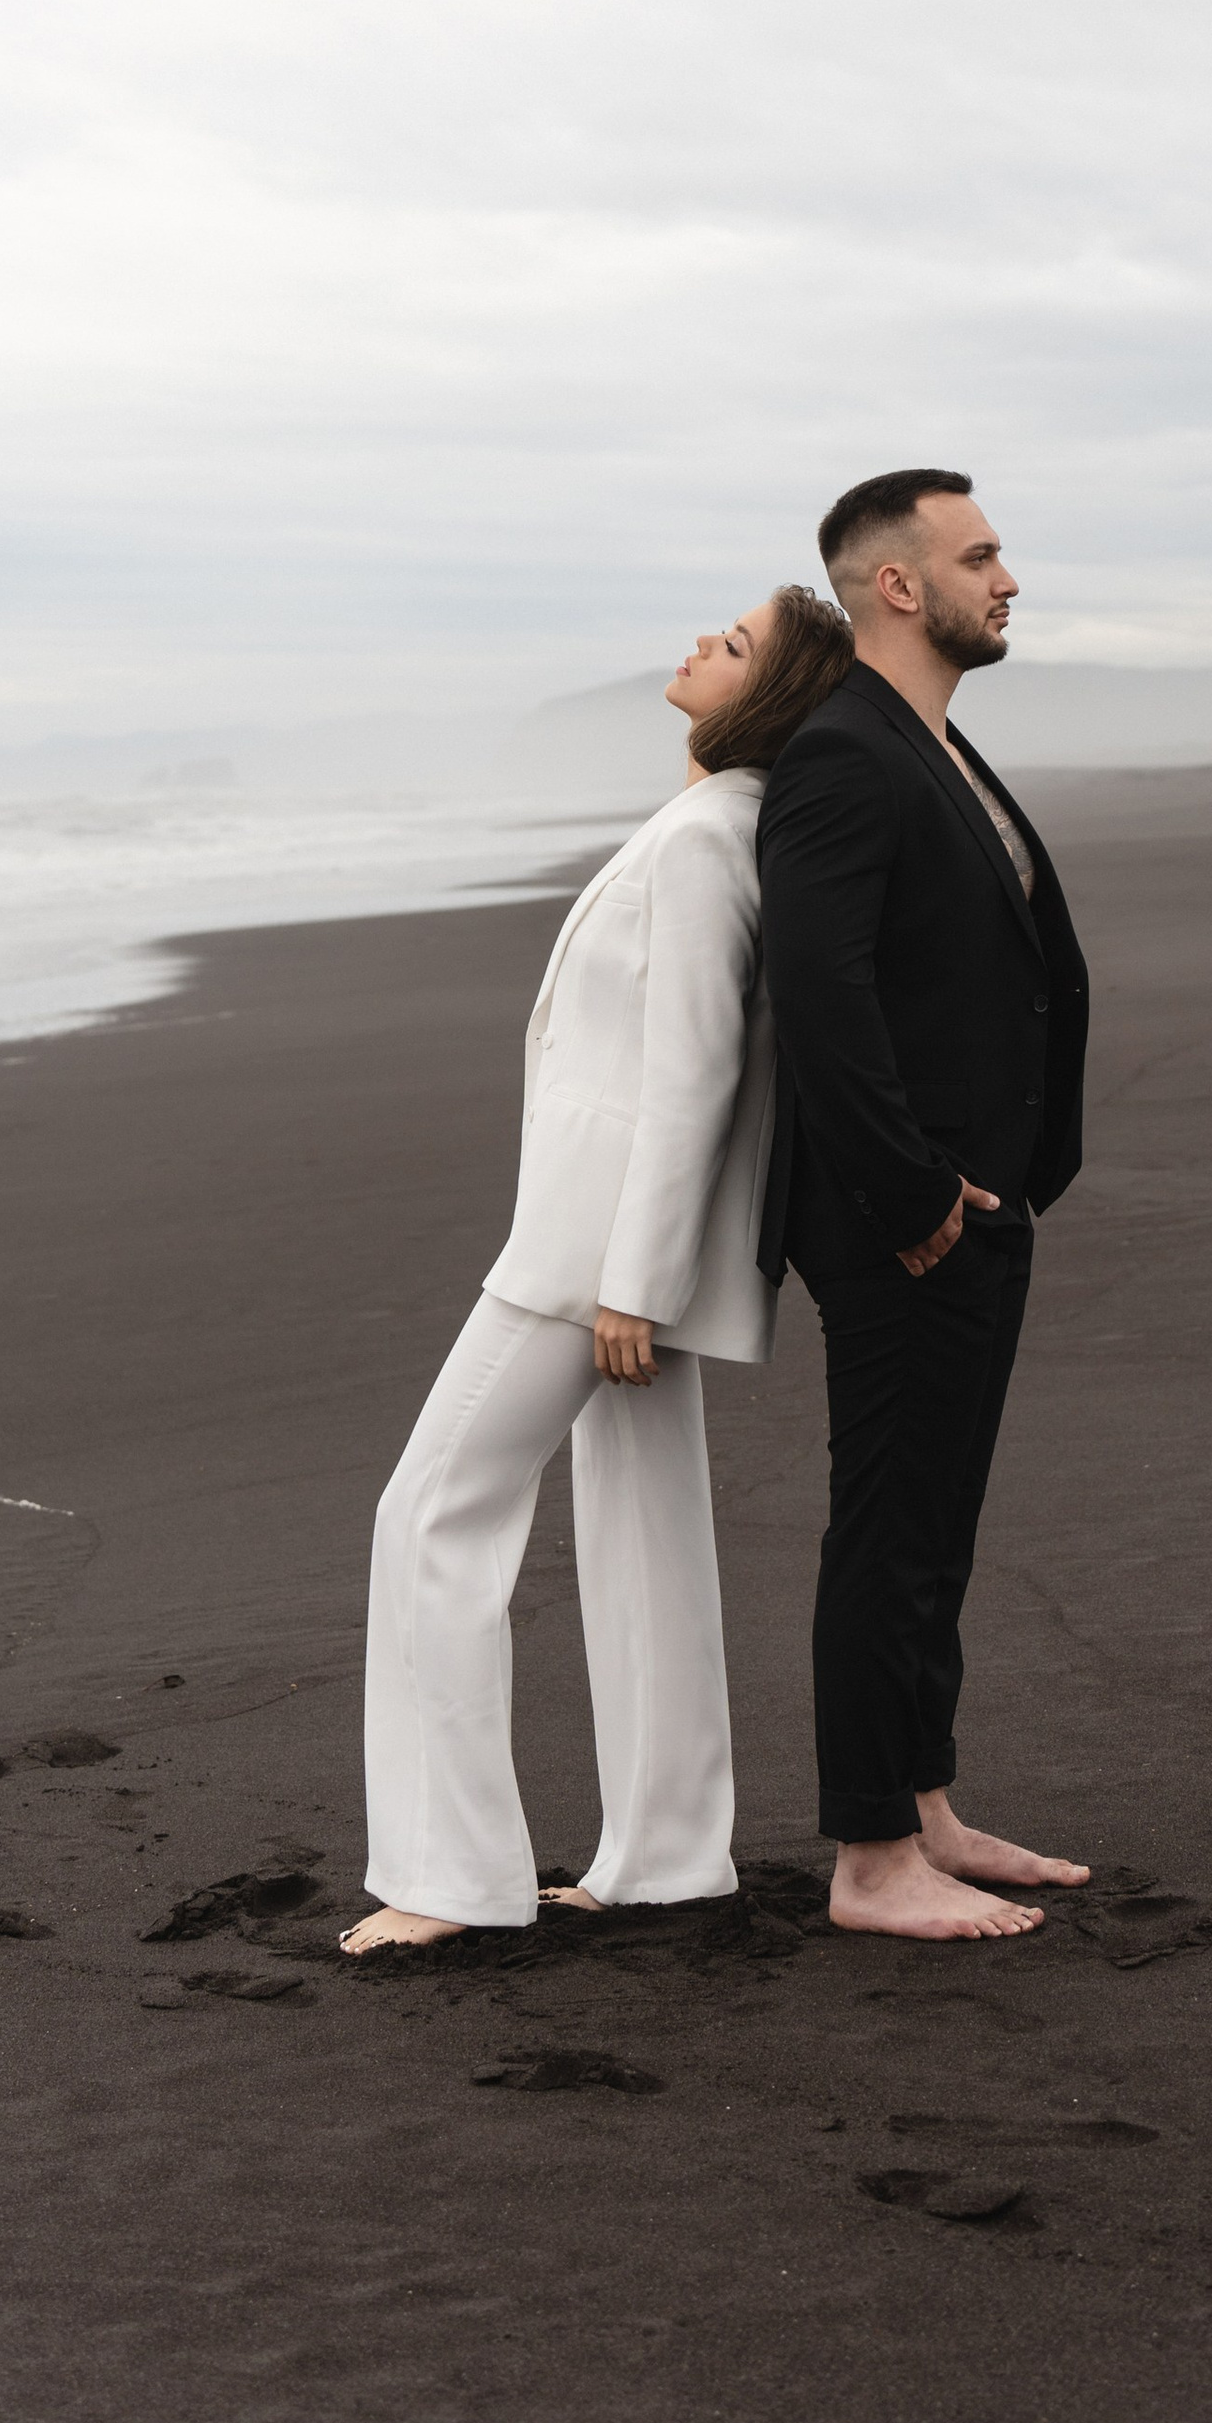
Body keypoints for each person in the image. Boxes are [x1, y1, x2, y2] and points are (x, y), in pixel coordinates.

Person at [342, 580, 856, 1955]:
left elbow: (696, 1072)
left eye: (734, 644)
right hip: (629, 1241)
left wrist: (632, 1278)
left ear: (768, 698)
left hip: (594, 1252)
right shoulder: (724, 826)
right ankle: (671, 1855)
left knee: (433, 1513)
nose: (700, 643)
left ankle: (448, 1879)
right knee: (644, 1537)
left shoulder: (704, 841)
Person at [757, 471, 1092, 1943]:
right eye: (981, 555)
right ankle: (869, 1860)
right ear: (898, 586)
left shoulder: (933, 746)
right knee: (890, 1527)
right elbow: (818, 996)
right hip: (910, 1213)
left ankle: (927, 1807)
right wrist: (910, 1195)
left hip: (977, 1196)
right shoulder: (846, 757)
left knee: (936, 1524)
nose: (1007, 577)